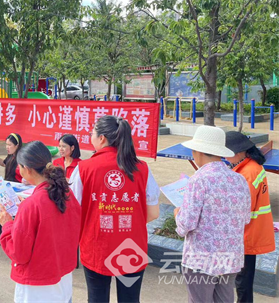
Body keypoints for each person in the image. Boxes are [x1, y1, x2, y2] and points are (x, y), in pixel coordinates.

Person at [69, 115, 160, 303]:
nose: (91, 136)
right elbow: (153, 213)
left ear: (101, 138)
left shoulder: (84, 168)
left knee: (97, 298)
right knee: (130, 299)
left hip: (96, 246)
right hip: (132, 246)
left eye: (92, 133)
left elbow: (73, 211)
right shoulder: (142, 168)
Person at [0, 141, 81, 303]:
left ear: (26, 169)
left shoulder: (32, 205)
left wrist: (7, 224)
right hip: (63, 278)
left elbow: (19, 253)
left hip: (38, 287)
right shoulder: (65, 192)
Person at [175, 126, 251, 303]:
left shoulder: (199, 180)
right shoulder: (239, 179)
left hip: (202, 259)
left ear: (199, 152)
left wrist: (177, 213)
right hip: (230, 257)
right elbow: (245, 218)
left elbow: (186, 224)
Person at [225, 131, 275, 303]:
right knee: (244, 279)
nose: (224, 158)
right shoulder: (253, 166)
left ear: (238, 152)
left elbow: (241, 209)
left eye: (226, 153)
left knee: (242, 282)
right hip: (251, 232)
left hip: (245, 235)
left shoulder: (246, 174)